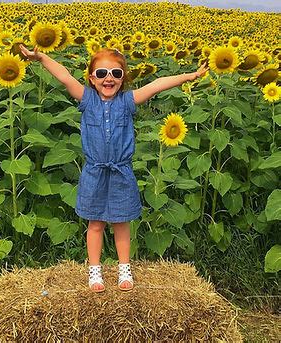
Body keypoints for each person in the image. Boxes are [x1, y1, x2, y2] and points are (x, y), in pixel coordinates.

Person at [20, 45, 207, 293]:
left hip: (121, 171)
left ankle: (123, 268)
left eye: (116, 74)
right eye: (102, 73)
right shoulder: (86, 99)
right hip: (94, 172)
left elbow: (157, 84)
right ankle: (94, 270)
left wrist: (189, 76)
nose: (109, 78)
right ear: (91, 78)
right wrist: (42, 57)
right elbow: (64, 75)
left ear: (123, 78)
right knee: (95, 223)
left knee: (121, 222)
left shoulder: (128, 101)